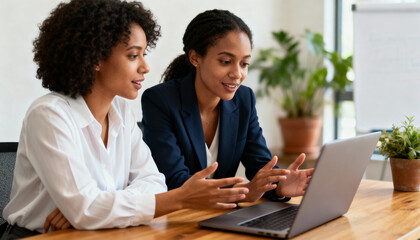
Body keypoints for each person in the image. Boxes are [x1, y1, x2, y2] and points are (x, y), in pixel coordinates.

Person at [0, 1, 249, 239]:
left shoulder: (120, 111)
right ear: (96, 58)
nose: (145, 67)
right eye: (133, 56)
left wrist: (97, 208)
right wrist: (179, 198)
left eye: (143, 54)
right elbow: (86, 209)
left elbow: (154, 183)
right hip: (38, 236)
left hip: (100, 231)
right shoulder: (49, 115)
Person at [142, 9, 314, 203]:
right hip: (177, 221)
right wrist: (246, 191)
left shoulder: (244, 99)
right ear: (195, 58)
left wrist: (281, 184)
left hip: (223, 218)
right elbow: (175, 181)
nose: (237, 73)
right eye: (225, 61)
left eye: (244, 63)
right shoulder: (160, 100)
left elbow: (260, 165)